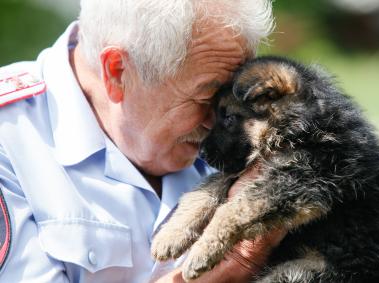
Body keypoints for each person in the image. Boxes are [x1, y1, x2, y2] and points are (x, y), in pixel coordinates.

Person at [0, 0, 284, 282]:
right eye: (205, 98)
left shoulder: (255, 128)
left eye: (237, 99)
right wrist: (239, 262)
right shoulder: (11, 138)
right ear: (117, 71)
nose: (220, 125)